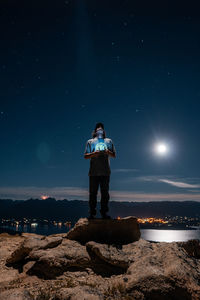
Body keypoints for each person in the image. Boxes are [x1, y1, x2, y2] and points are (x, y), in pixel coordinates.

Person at [84, 122, 116, 219]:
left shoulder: (109, 141)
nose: (100, 130)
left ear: (104, 131)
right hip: (93, 172)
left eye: (101, 129)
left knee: (105, 194)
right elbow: (85, 156)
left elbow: (114, 155)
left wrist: (107, 151)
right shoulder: (90, 142)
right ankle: (92, 214)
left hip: (105, 172)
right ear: (95, 131)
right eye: (98, 129)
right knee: (92, 194)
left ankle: (104, 213)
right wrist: (94, 153)